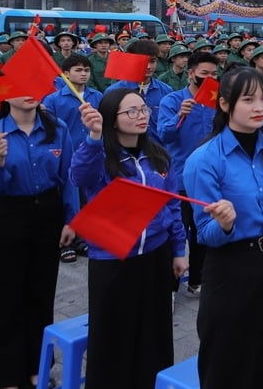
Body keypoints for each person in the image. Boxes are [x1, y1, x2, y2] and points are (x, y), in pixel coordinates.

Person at [183, 66, 263, 389]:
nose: (260, 107)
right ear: (224, 104)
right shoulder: (204, 160)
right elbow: (203, 233)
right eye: (248, 100)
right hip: (231, 269)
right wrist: (224, 224)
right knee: (228, 360)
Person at [71, 90, 187, 388]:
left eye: (144, 109)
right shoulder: (100, 158)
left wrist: (178, 249)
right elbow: (79, 177)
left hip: (155, 256)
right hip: (113, 260)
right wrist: (93, 137)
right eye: (131, 112)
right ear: (112, 119)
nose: (141, 116)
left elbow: (172, 205)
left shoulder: (158, 156)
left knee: (153, 332)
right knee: (113, 337)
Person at [0, 91, 77, 389]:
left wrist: (71, 218)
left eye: (33, 85)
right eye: (19, 87)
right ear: (5, 93)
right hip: (5, 217)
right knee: (5, 297)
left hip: (47, 216)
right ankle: (6, 373)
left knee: (41, 294)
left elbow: (68, 176)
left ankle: (37, 367)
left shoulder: (58, 128)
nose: (27, 94)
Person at [158, 51, 219, 299]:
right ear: (191, 72)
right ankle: (171, 287)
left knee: (203, 232)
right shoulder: (172, 101)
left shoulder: (216, 99)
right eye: (204, 73)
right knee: (176, 233)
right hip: (180, 179)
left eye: (214, 74)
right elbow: (163, 134)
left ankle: (197, 281)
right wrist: (179, 116)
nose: (209, 78)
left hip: (209, 179)